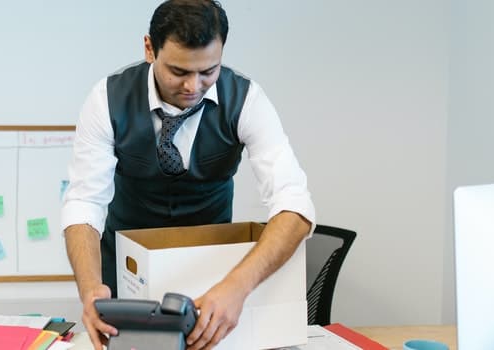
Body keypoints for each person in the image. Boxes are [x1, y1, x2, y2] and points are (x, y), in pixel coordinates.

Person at [61, 0, 315, 349]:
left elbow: (295, 206)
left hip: (212, 285)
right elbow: (84, 203)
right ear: (150, 48)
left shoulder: (247, 100)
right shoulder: (105, 99)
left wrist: (237, 288)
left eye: (209, 71)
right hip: (125, 278)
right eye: (179, 71)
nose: (194, 86)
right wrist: (90, 288)